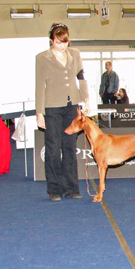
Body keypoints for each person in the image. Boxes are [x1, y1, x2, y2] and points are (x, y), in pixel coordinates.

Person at [36, 23, 89, 202]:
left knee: (69, 147)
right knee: (52, 148)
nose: (63, 45)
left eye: (65, 41)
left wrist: (86, 99)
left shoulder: (75, 54)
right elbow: (39, 86)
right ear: (51, 40)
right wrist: (39, 112)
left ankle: (72, 188)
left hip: (71, 106)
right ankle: (54, 189)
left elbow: (81, 78)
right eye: (59, 42)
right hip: (51, 107)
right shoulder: (42, 58)